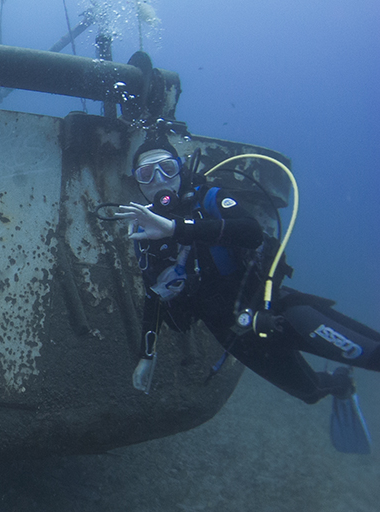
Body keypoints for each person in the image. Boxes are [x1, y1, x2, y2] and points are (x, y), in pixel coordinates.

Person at [115, 127, 379, 453]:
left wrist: (176, 228)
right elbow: (153, 295)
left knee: (373, 353)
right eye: (146, 173)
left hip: (274, 312)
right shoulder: (144, 237)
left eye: (167, 168)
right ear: (137, 182)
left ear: (181, 168)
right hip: (236, 337)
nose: (158, 180)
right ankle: (341, 384)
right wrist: (146, 355)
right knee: (309, 392)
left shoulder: (210, 198)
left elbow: (250, 232)